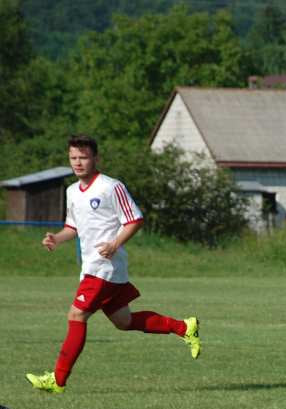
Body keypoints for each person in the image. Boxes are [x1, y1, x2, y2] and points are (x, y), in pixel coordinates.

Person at [25, 135, 201, 394]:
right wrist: (57, 238)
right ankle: (184, 327)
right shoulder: (72, 191)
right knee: (123, 321)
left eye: (83, 157)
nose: (78, 162)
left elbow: (134, 219)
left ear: (96, 158)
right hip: (95, 268)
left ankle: (58, 380)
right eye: (73, 158)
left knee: (76, 315)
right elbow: (72, 226)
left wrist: (114, 244)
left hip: (104, 268)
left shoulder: (110, 187)